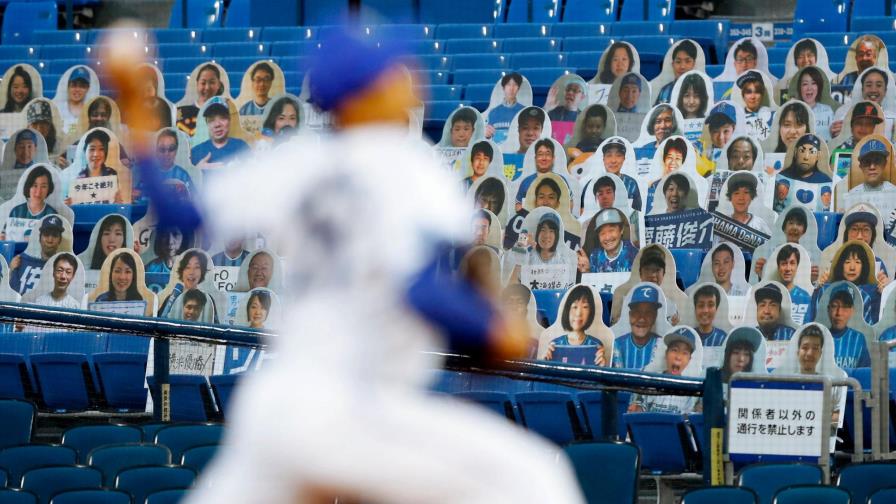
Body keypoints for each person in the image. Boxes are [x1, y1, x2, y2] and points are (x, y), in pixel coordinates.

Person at [184, 27, 584, 503]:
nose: (410, 81)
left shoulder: (296, 161)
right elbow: (417, 289)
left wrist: (137, 112)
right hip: (349, 406)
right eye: (393, 74)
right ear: (364, 94)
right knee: (535, 481)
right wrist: (490, 330)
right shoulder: (403, 165)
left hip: (275, 404)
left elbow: (181, 217)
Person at [627, 327, 700, 414]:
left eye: (684, 353)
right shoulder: (650, 381)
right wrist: (635, 409)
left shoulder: (690, 391)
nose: (678, 357)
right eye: (674, 350)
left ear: (689, 360)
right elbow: (638, 410)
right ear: (666, 354)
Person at [813, 241, 884, 324]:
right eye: (847, 262)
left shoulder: (872, 293)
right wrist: (817, 288)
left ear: (864, 266)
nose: (852, 267)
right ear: (840, 265)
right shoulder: (826, 290)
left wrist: (884, 293)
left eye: (857, 262)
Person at [543, 285, 605, 366]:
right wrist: (544, 363)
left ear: (591, 312)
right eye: (575, 307)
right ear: (567, 310)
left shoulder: (595, 345)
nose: (579, 313)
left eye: (585, 307)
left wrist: (602, 368)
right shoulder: (555, 345)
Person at [9, 215, 65, 295]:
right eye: (46, 234)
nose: (50, 240)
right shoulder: (20, 261)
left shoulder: (64, 270)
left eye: (55, 235)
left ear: (60, 240)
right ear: (39, 238)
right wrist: (10, 271)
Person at [135, 129, 196, 200]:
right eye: (162, 149)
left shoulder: (183, 175)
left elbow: (195, 200)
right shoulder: (149, 175)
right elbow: (136, 196)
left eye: (171, 148)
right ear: (157, 151)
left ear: (176, 150)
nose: (166, 154)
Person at [612, 284, 663, 369]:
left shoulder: (662, 345)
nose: (642, 319)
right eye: (636, 312)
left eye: (648, 313)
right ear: (630, 315)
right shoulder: (617, 345)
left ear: (655, 317)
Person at [2, 165, 58, 240]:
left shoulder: (52, 214)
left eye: (43, 186)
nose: (38, 192)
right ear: (28, 187)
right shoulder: (16, 211)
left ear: (49, 188)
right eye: (35, 185)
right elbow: (4, 236)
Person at [190, 98, 250, 167]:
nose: (217, 124)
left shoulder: (242, 147)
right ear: (207, 124)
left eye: (222, 118)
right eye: (211, 120)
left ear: (229, 120)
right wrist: (197, 170)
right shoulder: (196, 152)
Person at [824, 283, 871, 368]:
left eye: (845, 307)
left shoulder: (859, 339)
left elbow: (864, 375)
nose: (839, 313)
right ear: (828, 309)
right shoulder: (820, 337)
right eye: (835, 306)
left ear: (852, 310)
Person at [580, 208, 638, 273]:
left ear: (621, 230)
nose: (607, 237)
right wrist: (587, 270)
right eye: (602, 233)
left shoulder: (634, 253)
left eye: (611, 230)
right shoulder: (595, 256)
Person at [159, 249, 212, 318]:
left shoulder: (208, 299)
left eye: (197, 267)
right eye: (187, 267)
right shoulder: (172, 297)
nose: (191, 272)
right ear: (182, 271)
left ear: (202, 271)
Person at [177, 63, 225, 136]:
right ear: (197, 84)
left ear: (218, 85)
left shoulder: (225, 114)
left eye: (212, 82)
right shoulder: (182, 113)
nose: (207, 87)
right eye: (203, 83)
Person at [600, 138, 642, 210]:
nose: (613, 160)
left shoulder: (631, 184)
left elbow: (637, 213)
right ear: (603, 159)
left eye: (618, 155)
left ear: (624, 158)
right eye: (609, 155)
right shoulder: (594, 183)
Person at [515, 139, 558, 206]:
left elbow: (569, 203)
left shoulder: (561, 181)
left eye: (547, 154)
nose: (544, 158)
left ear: (553, 158)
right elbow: (518, 204)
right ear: (535, 158)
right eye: (540, 154)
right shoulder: (526, 182)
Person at [796, 67, 834, 140]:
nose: (809, 88)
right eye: (805, 84)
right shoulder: (794, 112)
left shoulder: (828, 110)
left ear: (819, 87)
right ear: (799, 87)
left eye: (813, 83)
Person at [485, 72, 525, 141]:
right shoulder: (493, 112)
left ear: (518, 88)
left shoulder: (524, 111)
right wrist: (486, 135)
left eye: (515, 85)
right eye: (508, 84)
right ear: (503, 88)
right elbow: (488, 137)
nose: (511, 88)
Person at [656, 41, 698, 105]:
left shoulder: (701, 89)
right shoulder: (665, 91)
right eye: (678, 62)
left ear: (693, 64)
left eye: (687, 61)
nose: (682, 67)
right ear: (673, 65)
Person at [737, 70, 772, 139]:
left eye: (757, 92)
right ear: (743, 95)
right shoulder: (736, 119)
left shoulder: (773, 116)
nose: (752, 97)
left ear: (762, 94)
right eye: (748, 92)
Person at [775, 244, 812, 309]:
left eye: (792, 263)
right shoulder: (770, 294)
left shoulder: (804, 297)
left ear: (797, 266)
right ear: (778, 267)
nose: (788, 269)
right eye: (784, 263)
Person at [58, 66, 92, 133]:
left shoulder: (91, 111)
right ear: (68, 86)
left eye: (82, 86)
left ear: (87, 89)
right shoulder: (58, 109)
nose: (77, 90)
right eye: (74, 85)